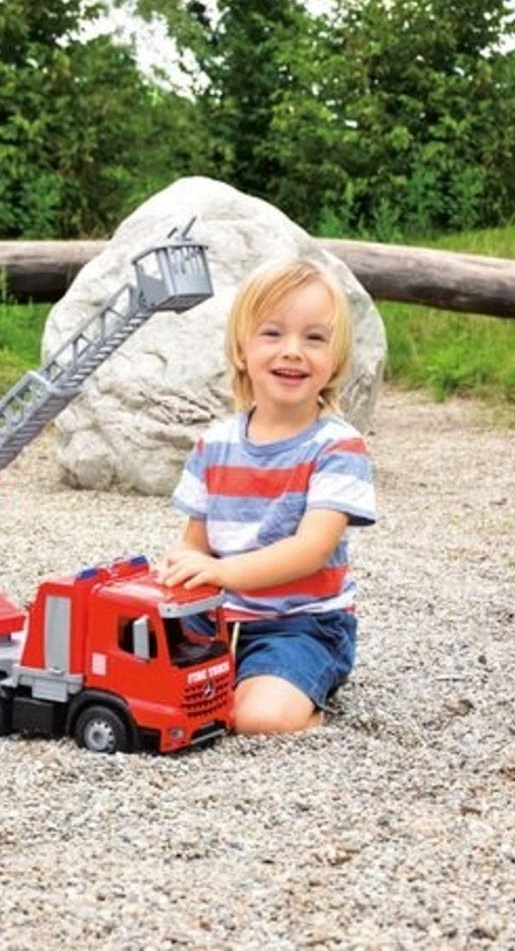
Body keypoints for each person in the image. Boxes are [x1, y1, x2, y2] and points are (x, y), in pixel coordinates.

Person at [160, 257, 376, 734]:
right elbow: (196, 542)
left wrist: (224, 572)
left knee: (254, 717)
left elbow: (311, 549)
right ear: (242, 350)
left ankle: (305, 701)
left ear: (336, 360)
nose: (292, 351)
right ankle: (250, 681)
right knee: (140, 684)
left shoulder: (338, 448)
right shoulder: (214, 445)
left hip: (300, 624)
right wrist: (184, 567)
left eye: (314, 338)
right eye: (272, 334)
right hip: (218, 619)